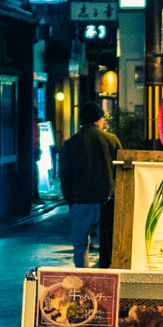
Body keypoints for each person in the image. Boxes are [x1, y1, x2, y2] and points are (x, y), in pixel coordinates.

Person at [58, 99, 122, 272]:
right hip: (106, 201)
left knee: (80, 245)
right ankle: (105, 276)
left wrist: (70, 198)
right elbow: (122, 171)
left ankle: (83, 277)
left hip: (80, 200)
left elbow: (64, 174)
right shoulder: (111, 140)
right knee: (106, 244)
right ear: (99, 120)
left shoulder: (70, 144)